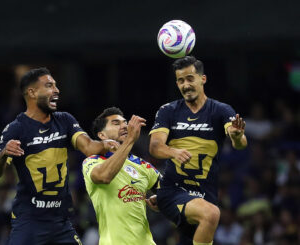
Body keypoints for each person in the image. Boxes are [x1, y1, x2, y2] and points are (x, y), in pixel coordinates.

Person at [0, 68, 118, 245]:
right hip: (29, 222)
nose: (57, 90)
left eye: (56, 85)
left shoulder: (65, 120)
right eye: (49, 86)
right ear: (32, 92)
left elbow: (88, 147)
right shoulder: (16, 128)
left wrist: (104, 144)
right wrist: (3, 154)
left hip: (61, 222)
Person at [149, 56, 247, 245]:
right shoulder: (168, 111)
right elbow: (155, 146)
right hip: (173, 190)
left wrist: (235, 136)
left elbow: (241, 142)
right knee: (210, 214)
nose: (185, 85)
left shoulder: (220, 110)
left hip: (205, 194)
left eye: (190, 78)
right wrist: (173, 152)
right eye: (180, 80)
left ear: (203, 79)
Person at [82, 107, 160, 245]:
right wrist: (130, 140)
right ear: (102, 135)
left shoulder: (142, 165)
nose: (124, 126)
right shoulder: (93, 161)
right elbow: (104, 176)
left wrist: (162, 200)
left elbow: (170, 193)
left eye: (125, 122)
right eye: (116, 123)